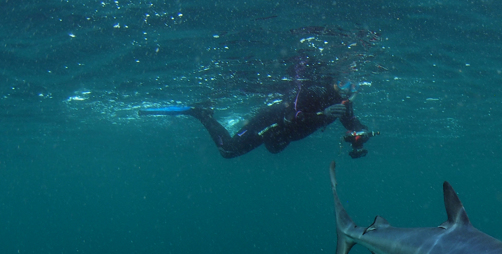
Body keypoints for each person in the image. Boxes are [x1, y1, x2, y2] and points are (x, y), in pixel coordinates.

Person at [140, 81, 375, 159]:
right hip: (271, 122)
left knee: (274, 149)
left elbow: (354, 124)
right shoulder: (315, 91)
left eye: (353, 87)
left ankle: (229, 121)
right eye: (345, 85)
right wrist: (321, 115)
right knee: (228, 151)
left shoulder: (344, 104)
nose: (348, 91)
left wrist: (359, 138)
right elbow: (290, 116)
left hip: (281, 138)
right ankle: (200, 112)